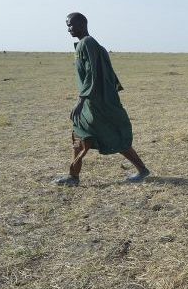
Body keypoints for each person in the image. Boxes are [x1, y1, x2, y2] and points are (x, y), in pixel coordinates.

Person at [53, 12, 150, 186]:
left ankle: (74, 177)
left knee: (100, 133)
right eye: (67, 25)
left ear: (82, 24)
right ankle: (73, 176)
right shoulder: (87, 44)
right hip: (95, 101)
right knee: (81, 133)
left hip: (95, 102)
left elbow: (93, 74)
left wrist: (81, 100)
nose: (68, 29)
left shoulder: (87, 43)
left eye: (71, 25)